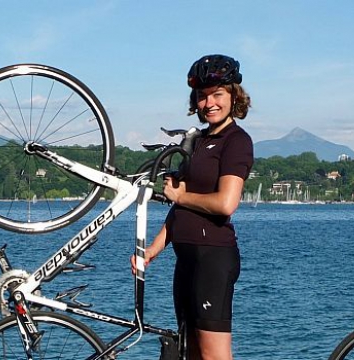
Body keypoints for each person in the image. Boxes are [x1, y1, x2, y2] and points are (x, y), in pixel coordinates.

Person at [142, 54, 254, 360]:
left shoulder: (237, 141)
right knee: (189, 352)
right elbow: (181, 207)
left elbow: (225, 204)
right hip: (186, 262)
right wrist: (153, 249)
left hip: (213, 259)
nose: (210, 103)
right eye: (203, 97)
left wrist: (180, 196)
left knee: (213, 356)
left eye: (218, 95)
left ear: (234, 97)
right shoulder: (200, 141)